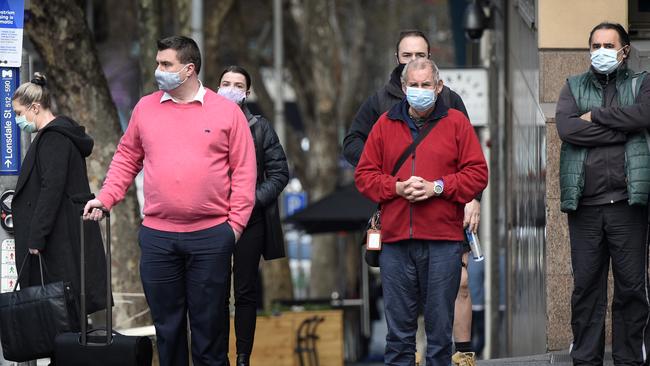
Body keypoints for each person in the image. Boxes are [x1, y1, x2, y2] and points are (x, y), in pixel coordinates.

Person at [83, 36, 257, 366]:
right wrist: (105, 199)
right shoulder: (145, 108)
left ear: (189, 69)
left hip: (211, 238)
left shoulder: (226, 113)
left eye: (166, 64)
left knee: (210, 333)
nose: (158, 70)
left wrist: (232, 229)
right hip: (158, 239)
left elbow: (245, 173)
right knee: (168, 331)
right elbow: (125, 158)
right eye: (158, 63)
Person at [342, 29, 480, 364]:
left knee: (437, 335)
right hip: (396, 241)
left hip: (444, 241)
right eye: (413, 86)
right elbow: (363, 174)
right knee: (399, 338)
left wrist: (438, 187)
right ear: (403, 88)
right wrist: (395, 186)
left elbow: (477, 173)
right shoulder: (383, 122)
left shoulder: (457, 122)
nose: (420, 91)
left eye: (426, 85)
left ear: (439, 87)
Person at [555, 22, 650, 365]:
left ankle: (628, 359)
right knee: (587, 290)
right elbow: (567, 128)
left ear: (625, 51)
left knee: (631, 290)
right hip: (586, 207)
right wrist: (623, 131)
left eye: (609, 45)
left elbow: (644, 115)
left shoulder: (642, 83)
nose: (601, 52)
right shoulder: (573, 85)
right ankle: (585, 359)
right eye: (595, 45)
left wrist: (595, 116)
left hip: (628, 205)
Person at [11, 73, 108, 319]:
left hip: (56, 241)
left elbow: (50, 189)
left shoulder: (53, 138)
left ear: (35, 108)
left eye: (19, 113)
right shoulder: (61, 136)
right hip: (63, 237)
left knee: (60, 316)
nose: (17, 120)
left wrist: (37, 237)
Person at [217, 65, 289, 366]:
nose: (231, 88)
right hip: (212, 221)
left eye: (237, 85)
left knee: (245, 291)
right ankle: (216, 355)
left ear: (247, 92)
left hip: (250, 221)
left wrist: (250, 201)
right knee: (215, 292)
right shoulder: (203, 123)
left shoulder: (260, 127)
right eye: (225, 83)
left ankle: (243, 357)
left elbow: (280, 173)